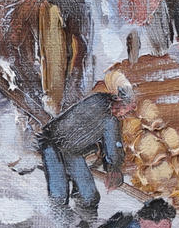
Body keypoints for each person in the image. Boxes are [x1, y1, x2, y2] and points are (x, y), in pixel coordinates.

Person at [36, 69, 134, 216]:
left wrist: (114, 167)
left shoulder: (112, 119)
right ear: (117, 100)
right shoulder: (97, 103)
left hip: (72, 151)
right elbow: (70, 130)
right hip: (53, 143)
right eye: (125, 108)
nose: (124, 113)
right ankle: (60, 222)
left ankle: (87, 221)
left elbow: (113, 143)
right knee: (59, 194)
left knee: (89, 196)